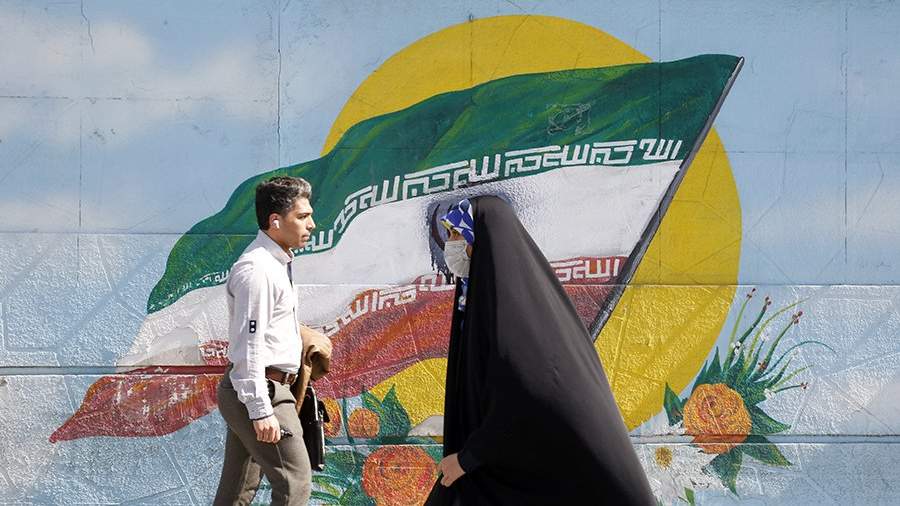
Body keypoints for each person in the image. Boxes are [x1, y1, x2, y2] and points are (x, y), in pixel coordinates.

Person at [426, 196, 655, 505]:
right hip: (506, 469)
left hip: (558, 477)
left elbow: (526, 398)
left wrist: (467, 459)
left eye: (458, 234)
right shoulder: (484, 301)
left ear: (485, 242)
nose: (450, 244)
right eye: (449, 234)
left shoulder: (516, 314)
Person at [214, 176, 317, 506]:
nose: (311, 224)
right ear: (275, 221)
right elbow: (249, 345)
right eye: (302, 216)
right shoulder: (257, 270)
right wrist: (260, 410)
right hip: (261, 389)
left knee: (237, 491)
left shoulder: (275, 264)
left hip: (260, 388)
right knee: (294, 482)